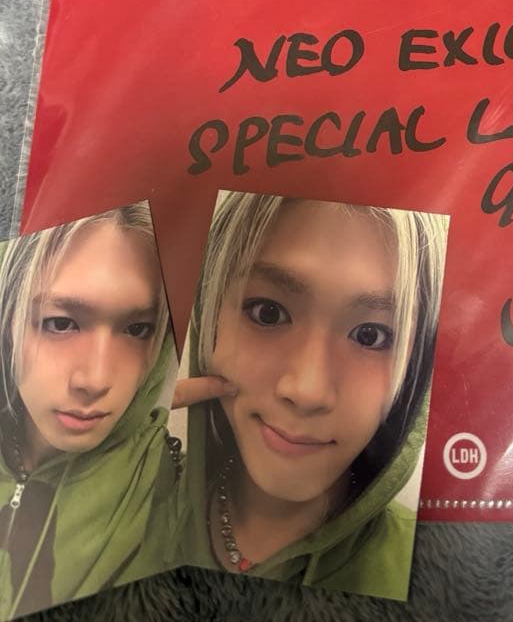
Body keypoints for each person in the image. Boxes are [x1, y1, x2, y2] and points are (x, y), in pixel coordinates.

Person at [166, 191, 448, 601]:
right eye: (267, 312)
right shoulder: (129, 506)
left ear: (414, 370)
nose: (307, 391)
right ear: (208, 321)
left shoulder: (439, 571)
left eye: (371, 335)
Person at [0, 204, 175, 620]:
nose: (95, 380)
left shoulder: (172, 494)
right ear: (7, 321)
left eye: (137, 329)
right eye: (60, 323)